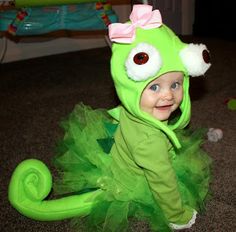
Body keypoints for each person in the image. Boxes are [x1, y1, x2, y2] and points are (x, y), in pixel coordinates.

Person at [8, 5, 212, 232]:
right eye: (154, 86)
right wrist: (178, 215)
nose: (168, 95)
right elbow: (162, 182)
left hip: (124, 157)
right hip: (133, 181)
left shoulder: (134, 109)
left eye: (175, 84)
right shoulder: (149, 142)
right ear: (129, 87)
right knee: (165, 176)